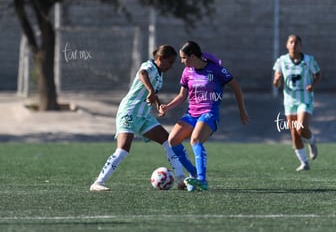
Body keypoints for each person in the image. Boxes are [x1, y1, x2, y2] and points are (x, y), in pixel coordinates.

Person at [90, 44, 186, 192]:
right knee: (123, 149)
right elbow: (142, 74)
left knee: (169, 141)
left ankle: (181, 180)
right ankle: (98, 182)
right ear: (160, 58)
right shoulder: (148, 66)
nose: (172, 66)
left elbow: (153, 93)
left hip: (144, 117)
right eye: (170, 62)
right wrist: (150, 91)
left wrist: (158, 104)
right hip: (129, 112)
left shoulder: (160, 75)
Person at [159, 41, 249, 191]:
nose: (181, 61)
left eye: (183, 58)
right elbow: (182, 96)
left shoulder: (216, 69)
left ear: (193, 56)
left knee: (195, 139)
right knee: (173, 140)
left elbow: (236, 87)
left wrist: (242, 110)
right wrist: (167, 107)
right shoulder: (187, 71)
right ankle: (193, 173)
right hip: (191, 114)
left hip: (209, 114)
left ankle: (202, 180)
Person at [273, 35, 321, 171]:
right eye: (291, 42)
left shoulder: (309, 60)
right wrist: (277, 80)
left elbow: (318, 74)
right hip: (289, 101)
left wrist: (313, 85)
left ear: (300, 45)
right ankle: (304, 162)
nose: (293, 44)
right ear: (286, 45)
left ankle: (311, 141)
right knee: (294, 132)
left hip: (305, 99)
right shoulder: (281, 61)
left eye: (296, 42)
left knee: (301, 128)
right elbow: (276, 83)